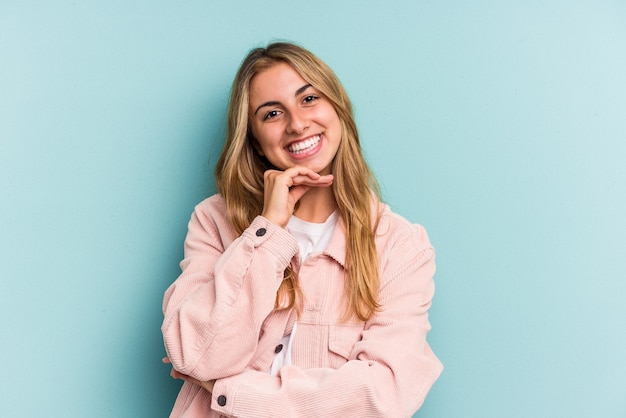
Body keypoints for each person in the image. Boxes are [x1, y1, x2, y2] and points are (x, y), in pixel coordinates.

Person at [162, 41, 443, 418]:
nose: (297, 124)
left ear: (337, 109)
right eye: (272, 113)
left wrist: (231, 391)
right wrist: (269, 230)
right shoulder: (214, 222)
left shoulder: (400, 246)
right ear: (255, 140)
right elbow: (198, 354)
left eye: (309, 99)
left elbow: (381, 398)